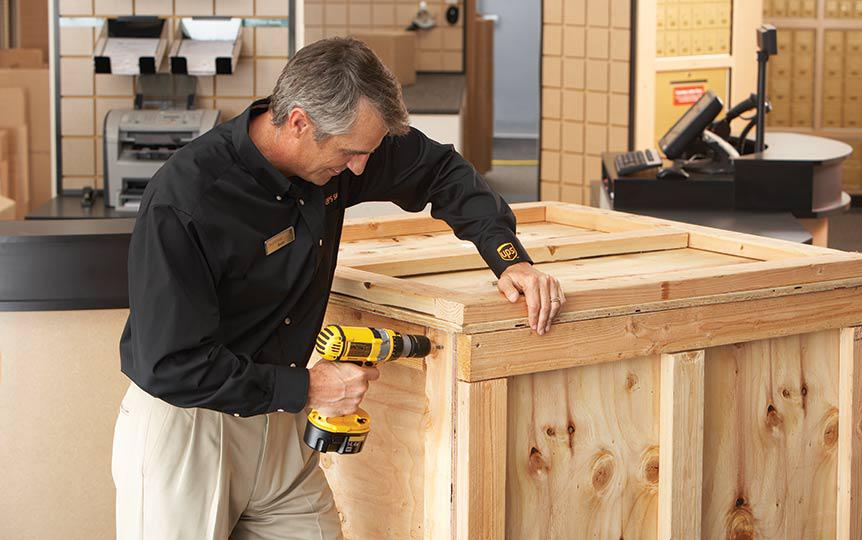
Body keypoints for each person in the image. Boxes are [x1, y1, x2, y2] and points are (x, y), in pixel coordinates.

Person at [112, 37, 565, 539]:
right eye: (351, 152)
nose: (359, 171)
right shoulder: (187, 201)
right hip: (190, 432)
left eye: (367, 154)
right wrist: (308, 387)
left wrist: (507, 258)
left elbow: (439, 170)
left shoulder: (338, 155)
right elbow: (169, 364)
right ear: (300, 122)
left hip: (281, 425)